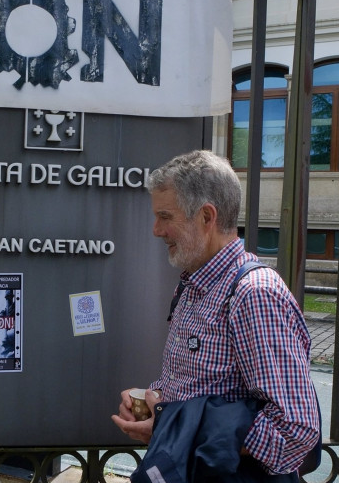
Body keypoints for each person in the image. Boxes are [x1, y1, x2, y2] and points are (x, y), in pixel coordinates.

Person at [111, 150, 320, 480]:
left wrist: (176, 427)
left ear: (206, 217)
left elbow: (293, 433)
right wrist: (154, 401)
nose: (156, 230)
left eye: (165, 216)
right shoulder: (195, 284)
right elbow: (200, 387)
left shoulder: (254, 293)